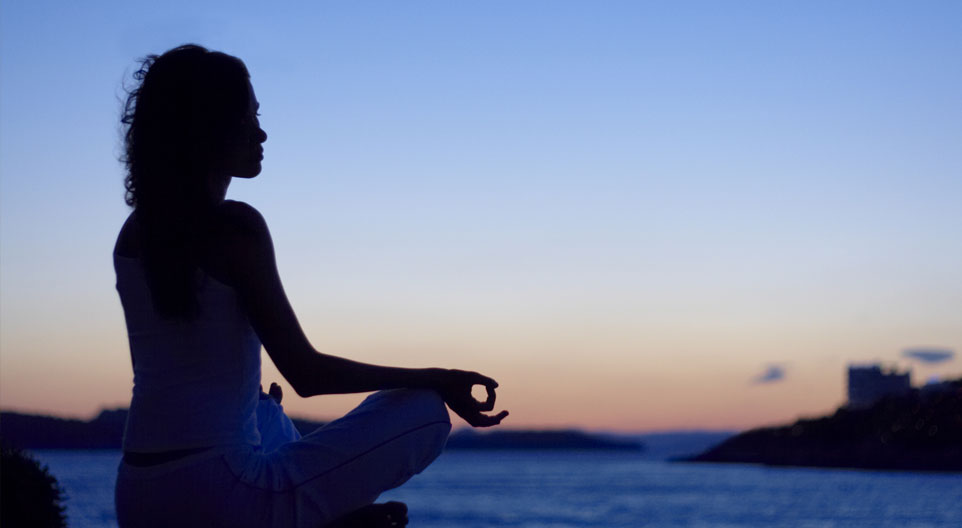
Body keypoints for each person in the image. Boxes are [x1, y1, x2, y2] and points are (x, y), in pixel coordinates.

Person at [113, 44, 508, 528]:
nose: (260, 132)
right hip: (224, 496)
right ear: (208, 129)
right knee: (424, 411)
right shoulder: (236, 227)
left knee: (266, 412)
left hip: (138, 494)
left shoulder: (135, 234)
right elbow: (309, 374)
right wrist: (438, 378)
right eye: (247, 118)